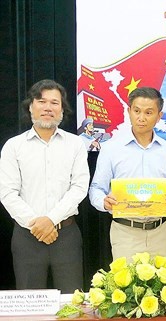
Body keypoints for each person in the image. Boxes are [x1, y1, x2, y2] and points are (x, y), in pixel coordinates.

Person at [0, 79, 89, 293]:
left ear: (62, 109)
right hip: (26, 236)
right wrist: (37, 225)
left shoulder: (76, 144)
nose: (48, 107)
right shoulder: (14, 146)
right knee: (30, 304)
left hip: (66, 235)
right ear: (31, 106)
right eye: (41, 101)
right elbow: (7, 193)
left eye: (54, 103)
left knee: (72, 303)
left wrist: (51, 220)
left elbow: (79, 187)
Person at [89, 87, 166, 260]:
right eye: (136, 111)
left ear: (159, 116)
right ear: (128, 111)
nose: (141, 118)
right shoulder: (110, 149)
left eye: (149, 112)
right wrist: (104, 202)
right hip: (125, 232)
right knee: (125, 286)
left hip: (161, 231)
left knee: (162, 285)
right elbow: (96, 188)